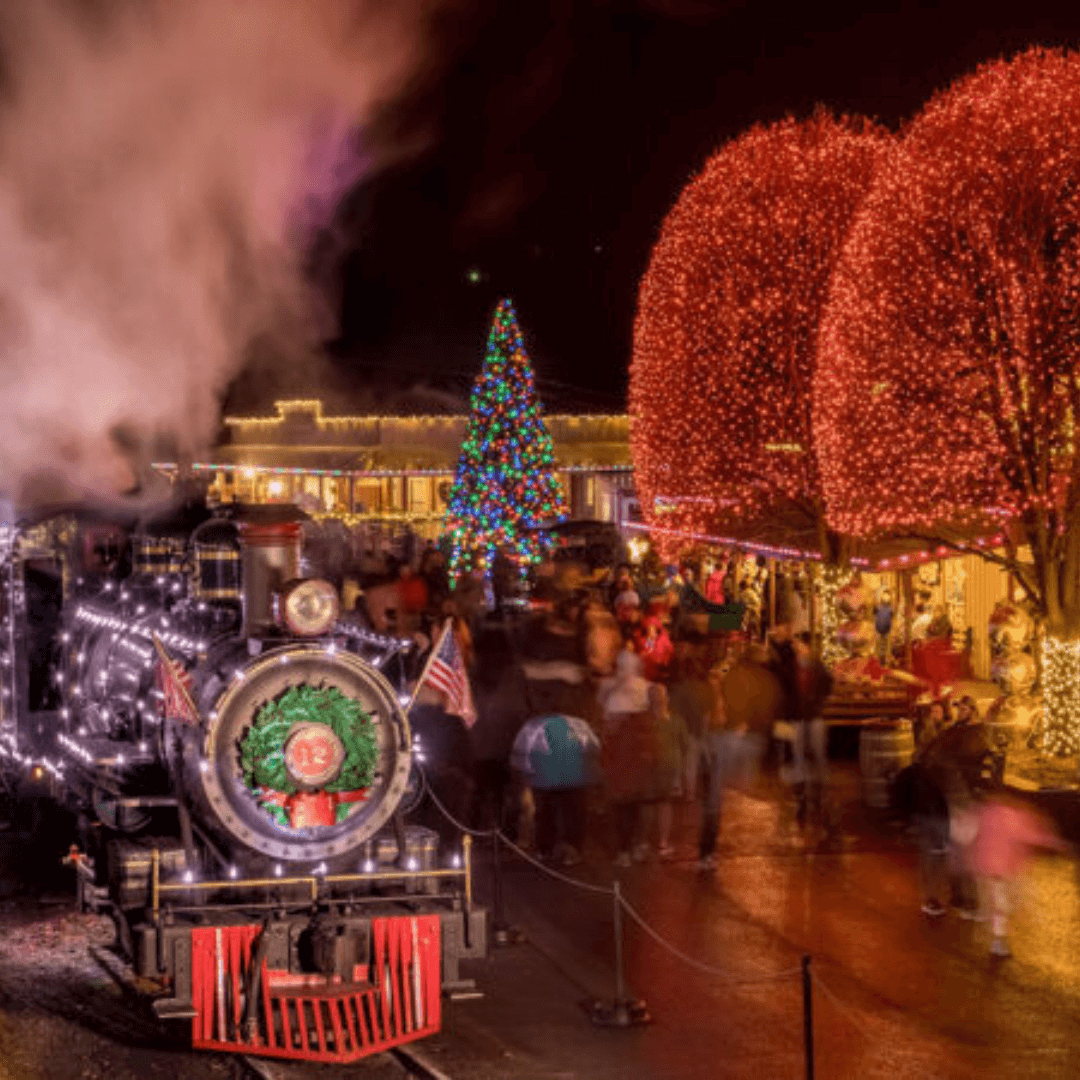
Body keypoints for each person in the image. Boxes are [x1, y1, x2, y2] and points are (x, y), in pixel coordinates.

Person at [598, 645, 661, 867]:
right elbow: (657, 719)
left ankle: (627, 848)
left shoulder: (609, 688)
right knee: (635, 805)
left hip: (622, 756)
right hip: (634, 756)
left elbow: (604, 721)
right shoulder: (647, 688)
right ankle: (634, 846)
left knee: (623, 806)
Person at [790, 633, 834, 826]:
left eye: (798, 643)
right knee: (798, 755)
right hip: (797, 717)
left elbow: (827, 684)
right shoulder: (792, 666)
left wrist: (818, 702)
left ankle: (817, 794)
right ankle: (802, 798)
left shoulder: (817, 666)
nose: (796, 647)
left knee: (817, 755)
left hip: (813, 716)